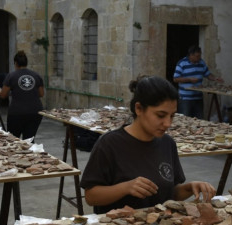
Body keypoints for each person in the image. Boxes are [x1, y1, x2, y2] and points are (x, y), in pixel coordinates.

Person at [81, 75, 216, 214]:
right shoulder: (109, 144)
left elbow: (169, 194)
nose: (168, 123)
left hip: (159, 224)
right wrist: (126, 188)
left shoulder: (167, 143)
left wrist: (190, 187)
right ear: (139, 108)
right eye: (160, 115)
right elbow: (91, 197)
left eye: (172, 116)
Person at [0, 51, 44, 140]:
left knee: (13, 140)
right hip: (35, 111)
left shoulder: (11, 76)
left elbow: (3, 95)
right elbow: (41, 94)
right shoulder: (36, 75)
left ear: (15, 63)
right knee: (29, 140)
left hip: (17, 112)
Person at [173, 45, 222, 119]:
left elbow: (207, 74)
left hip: (198, 97)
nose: (199, 58)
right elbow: (175, 79)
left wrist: (215, 78)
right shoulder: (182, 63)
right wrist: (189, 79)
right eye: (197, 56)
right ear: (191, 55)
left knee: (199, 119)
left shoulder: (201, 62)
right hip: (185, 98)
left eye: (200, 55)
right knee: (185, 119)